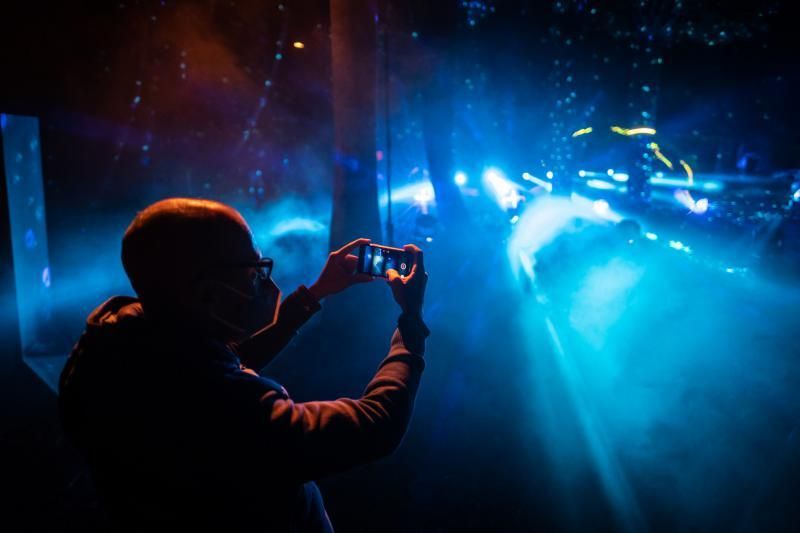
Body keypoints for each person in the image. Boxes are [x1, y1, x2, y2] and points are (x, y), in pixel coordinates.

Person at [58, 198, 429, 532]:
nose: (266, 283)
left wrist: (316, 293)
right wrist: (410, 323)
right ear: (207, 295)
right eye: (253, 274)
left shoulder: (119, 350)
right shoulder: (228, 415)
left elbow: (215, 364)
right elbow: (375, 426)